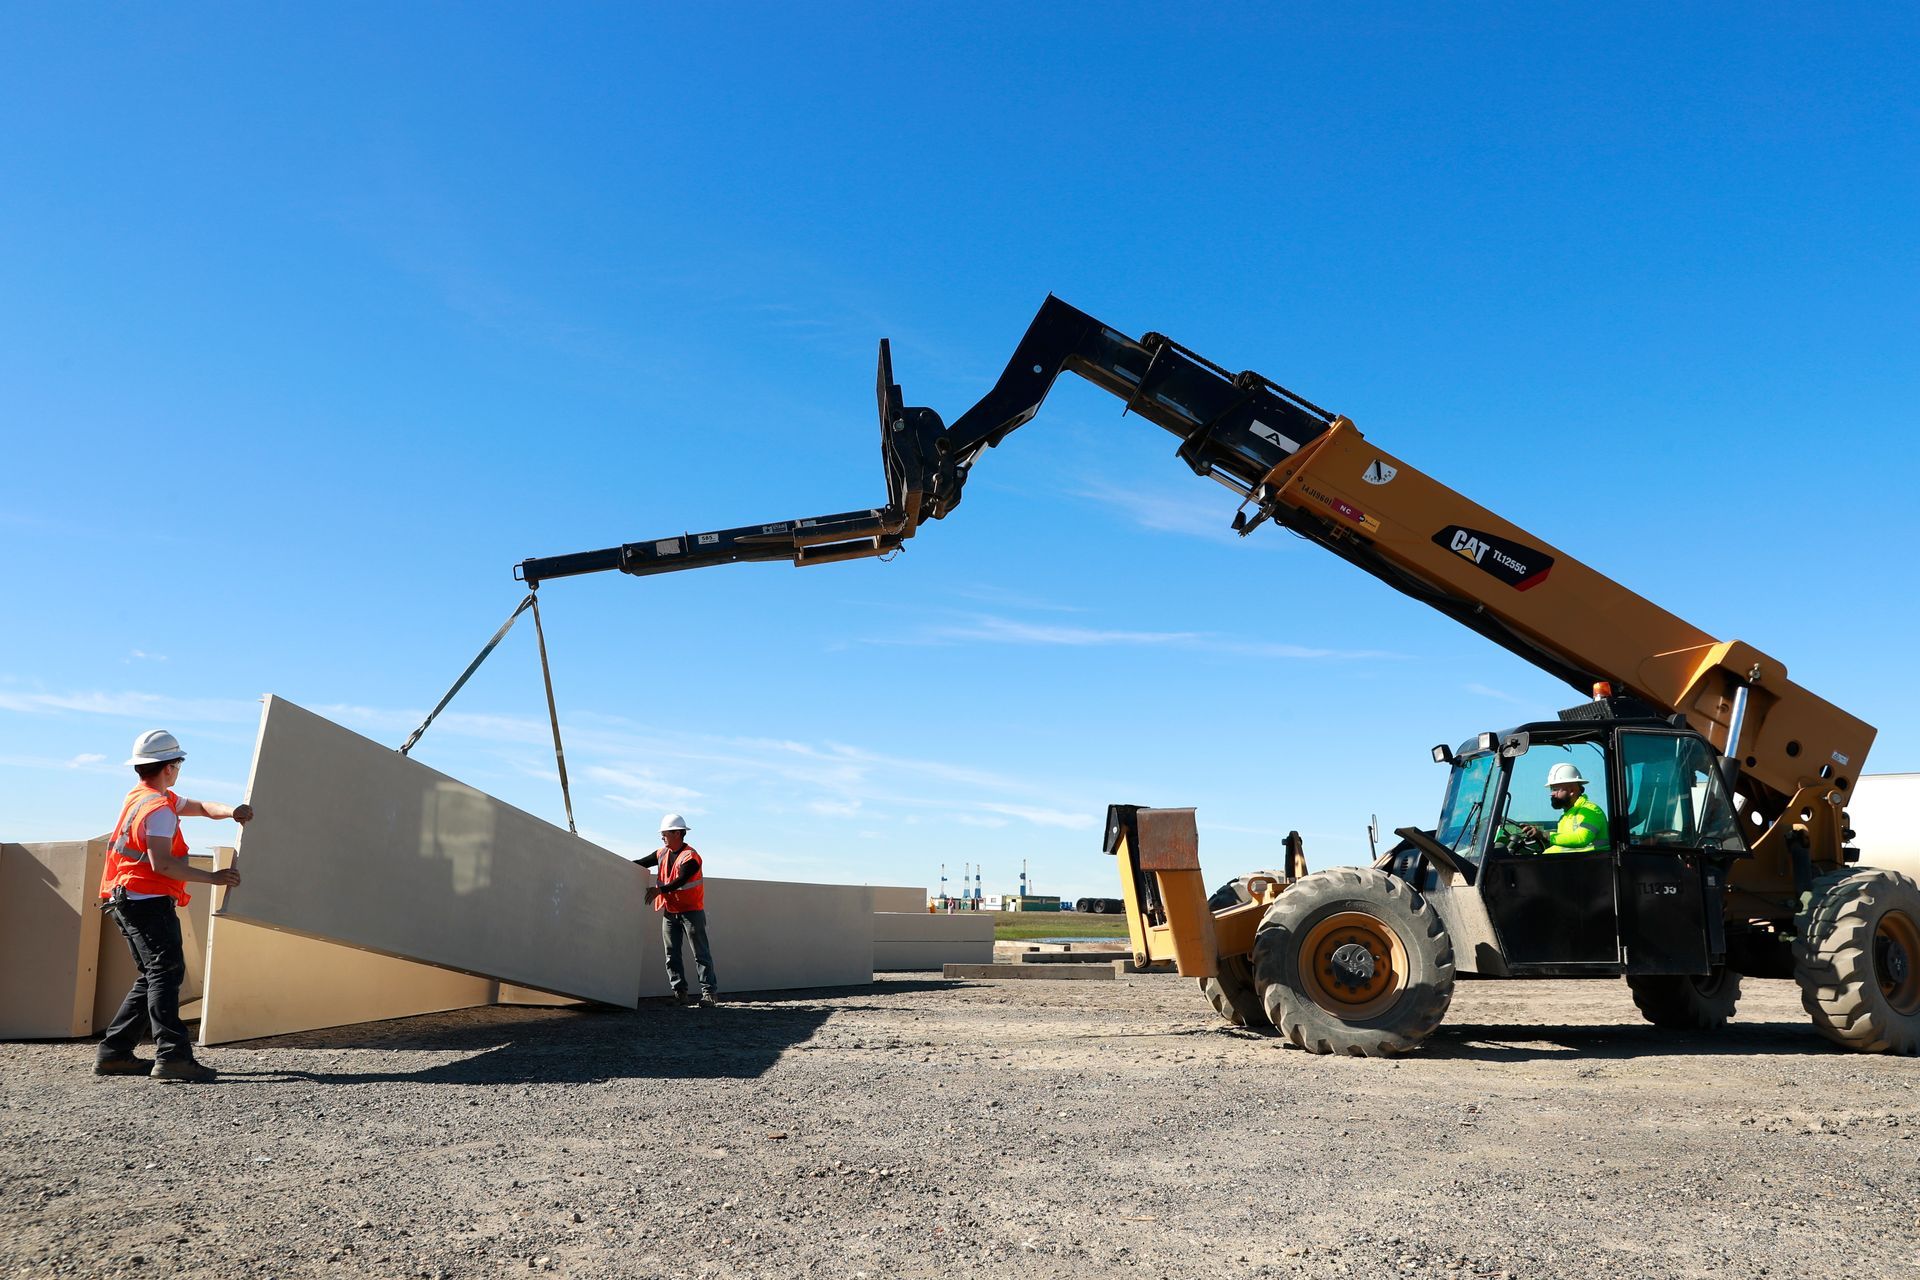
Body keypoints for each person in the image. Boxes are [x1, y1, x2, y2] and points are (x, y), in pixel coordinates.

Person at [95, 730, 249, 1082]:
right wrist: (216, 877)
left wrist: (232, 812)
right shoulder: (158, 809)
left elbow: (196, 806)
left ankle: (114, 1053)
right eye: (178, 763)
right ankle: (173, 1056)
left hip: (125, 898)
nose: (179, 769)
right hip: (145, 901)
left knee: (153, 975)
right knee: (166, 974)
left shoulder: (142, 796)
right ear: (169, 767)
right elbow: (162, 864)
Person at [638, 813, 718, 1007]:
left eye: (665, 833)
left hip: (691, 911)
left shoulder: (691, 857)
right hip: (670, 911)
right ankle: (680, 993)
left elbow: (680, 880)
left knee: (701, 953)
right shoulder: (662, 853)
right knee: (671, 954)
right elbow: (641, 862)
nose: (662, 837)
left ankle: (709, 994)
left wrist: (659, 890)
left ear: (677, 833)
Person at [1520, 762, 1609, 854]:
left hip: (1591, 865)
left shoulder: (1591, 811)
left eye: (1555, 789)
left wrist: (1544, 835)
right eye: (1551, 789)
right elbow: (1563, 842)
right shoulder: (1566, 816)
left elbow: (1581, 839)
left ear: (1571, 790)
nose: (1551, 793)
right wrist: (1539, 834)